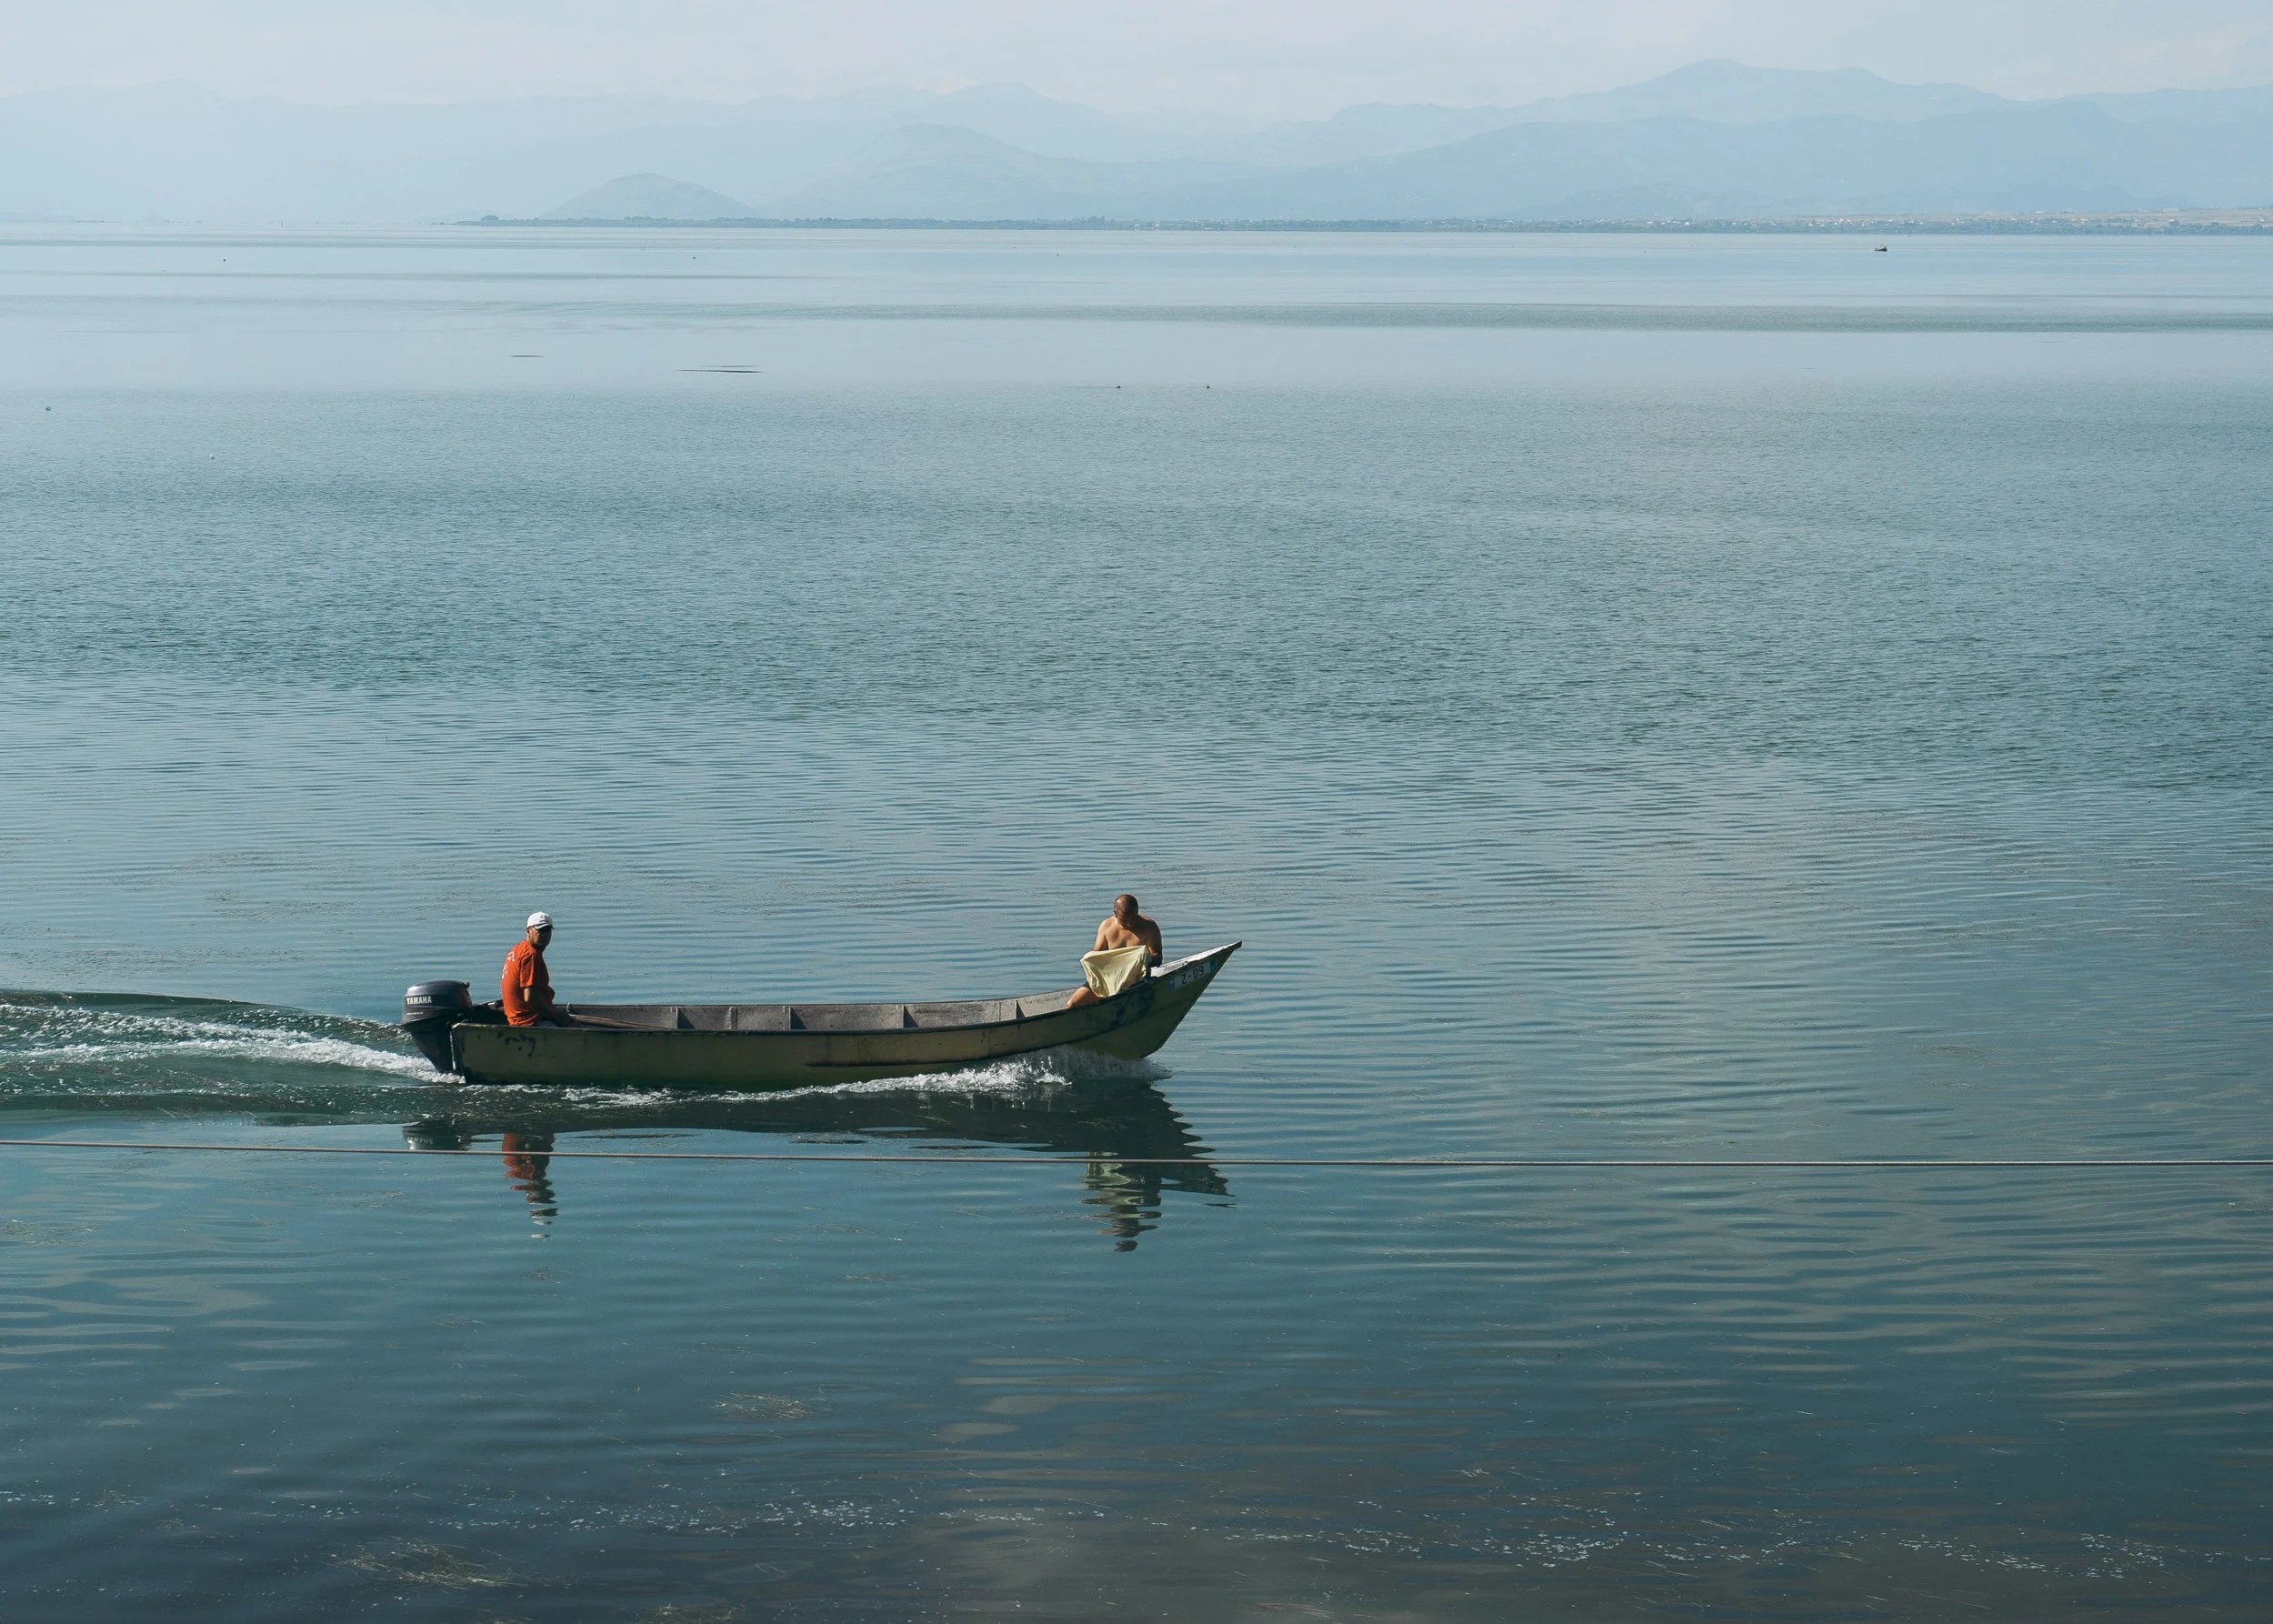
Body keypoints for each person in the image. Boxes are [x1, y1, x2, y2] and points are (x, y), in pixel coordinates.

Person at [1067, 894, 1164, 1007]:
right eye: (1124, 920)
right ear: (1115, 914)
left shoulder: (1149, 927)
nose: (1129, 923)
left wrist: (1143, 958)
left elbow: (1157, 958)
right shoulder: (1106, 926)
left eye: (1133, 919)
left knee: (1120, 1000)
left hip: (1136, 981)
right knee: (1072, 1004)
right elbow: (1097, 958)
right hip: (1107, 979)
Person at [502, 911, 573, 1028]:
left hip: (520, 1018)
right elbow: (530, 997)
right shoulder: (530, 955)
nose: (544, 935)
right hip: (529, 1022)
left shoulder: (517, 950)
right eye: (540, 930)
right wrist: (557, 1015)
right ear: (528, 931)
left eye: (547, 930)